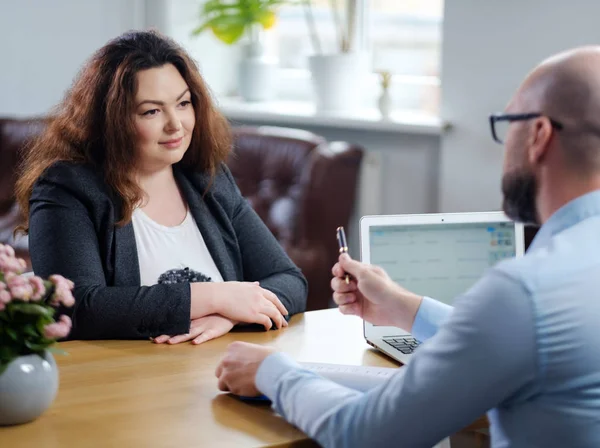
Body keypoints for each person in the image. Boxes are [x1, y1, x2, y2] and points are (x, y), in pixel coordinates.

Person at [215, 46, 600, 447]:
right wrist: (403, 307)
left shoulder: (525, 292)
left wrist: (273, 372)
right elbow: (520, 339)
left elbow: (364, 434)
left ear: (538, 135)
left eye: (507, 124)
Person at [15, 30, 307, 343]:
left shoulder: (207, 178)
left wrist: (227, 316)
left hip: (219, 374)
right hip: (127, 381)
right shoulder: (66, 188)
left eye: (183, 103)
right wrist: (215, 298)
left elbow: (290, 281)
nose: (175, 124)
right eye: (152, 111)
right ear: (112, 120)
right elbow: (77, 309)